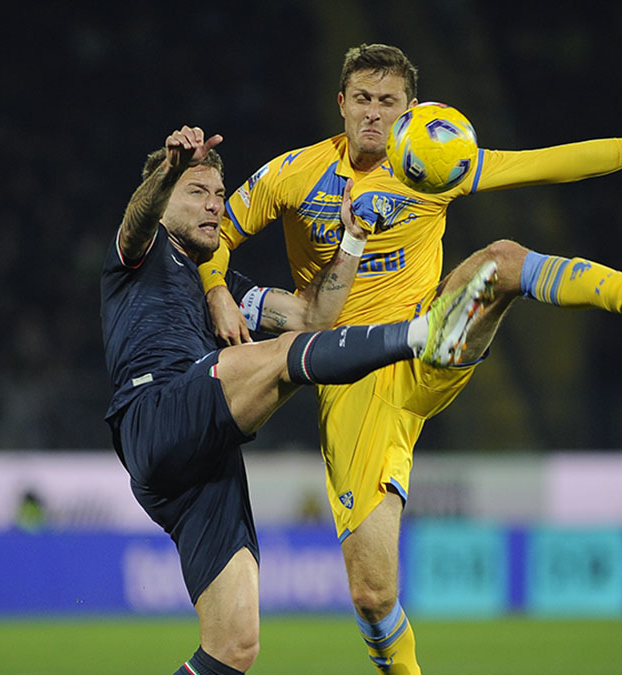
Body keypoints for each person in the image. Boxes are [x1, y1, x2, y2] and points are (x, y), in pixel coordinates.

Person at [197, 44, 622, 674]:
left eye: (387, 102)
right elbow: (217, 233)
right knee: (373, 596)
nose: (372, 114)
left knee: (501, 261)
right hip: (353, 376)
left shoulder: (435, 160)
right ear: (340, 104)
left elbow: (550, 164)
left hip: (433, 336)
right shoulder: (293, 174)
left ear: (409, 110)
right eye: (361, 100)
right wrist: (217, 291)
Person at [100, 125, 496, 675]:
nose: (215, 206)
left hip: (198, 469)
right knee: (284, 359)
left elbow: (314, 318)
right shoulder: (140, 254)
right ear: (164, 197)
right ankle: (422, 334)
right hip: (156, 413)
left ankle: (419, 333)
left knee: (233, 648)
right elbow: (134, 221)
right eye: (197, 193)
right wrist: (168, 170)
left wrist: (353, 240)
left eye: (219, 195)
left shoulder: (227, 288)